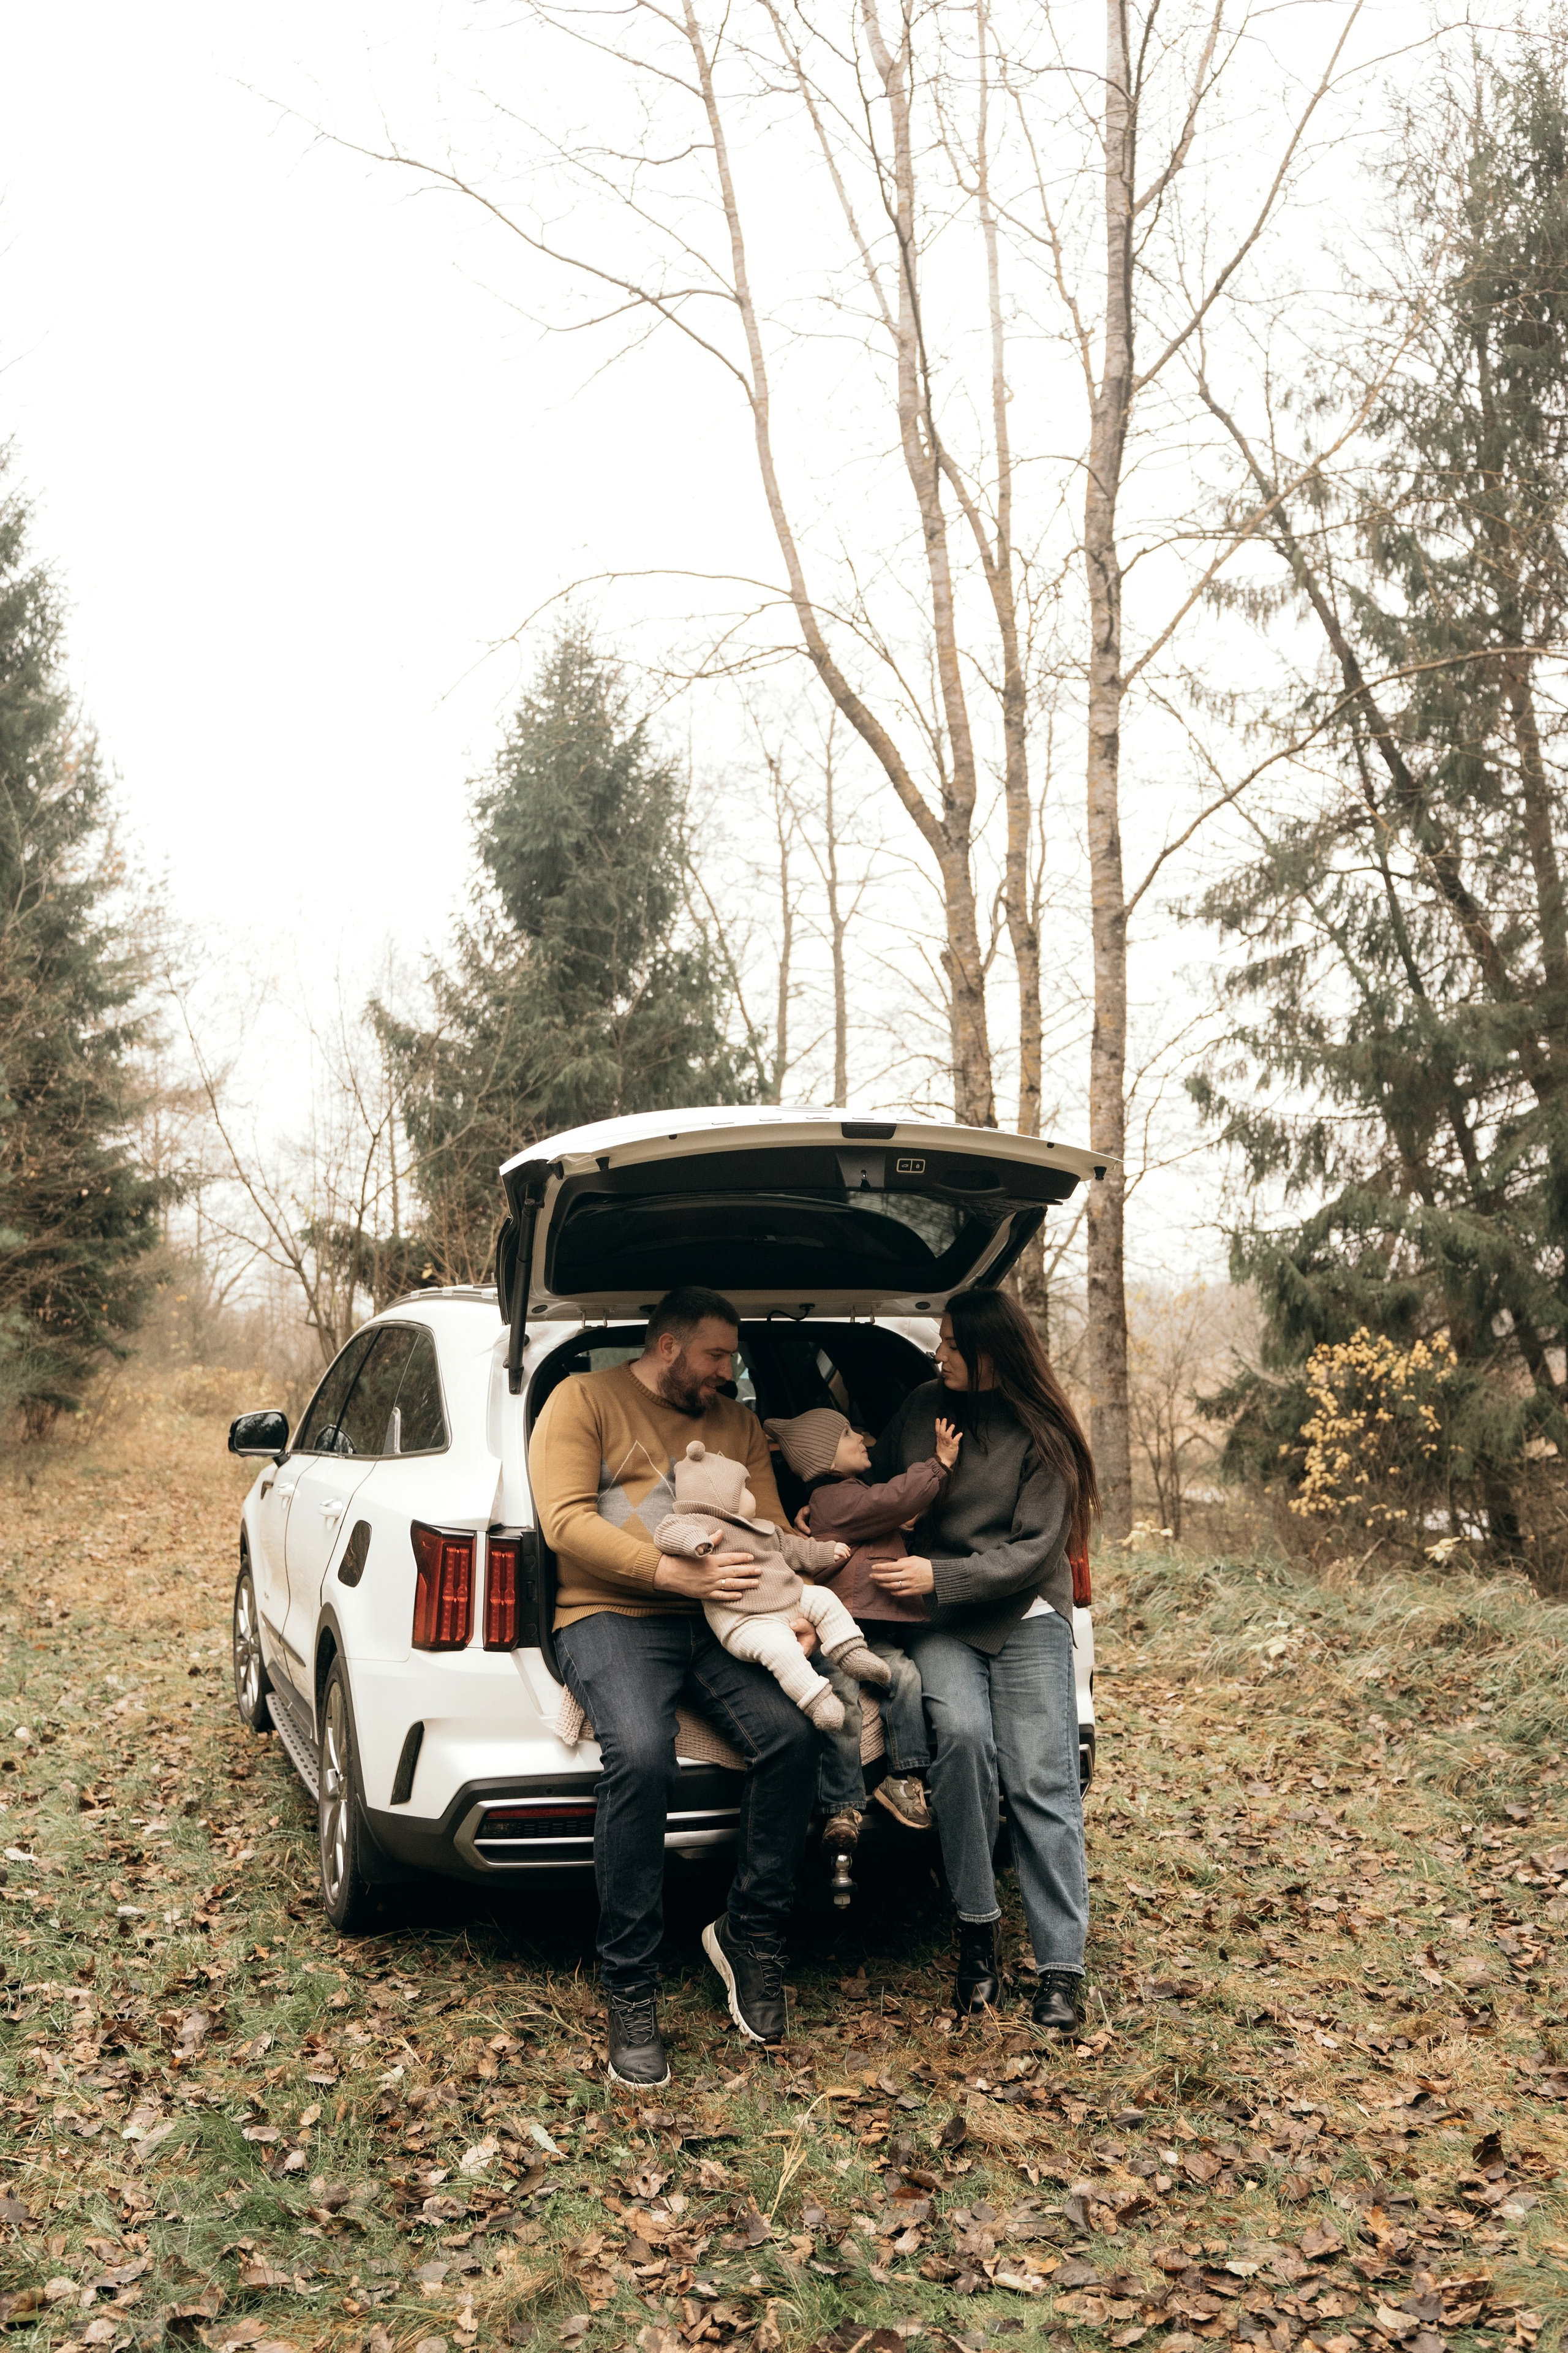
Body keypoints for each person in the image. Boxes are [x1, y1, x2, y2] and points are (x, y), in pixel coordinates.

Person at [528, 1285, 820, 2087]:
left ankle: (749, 1935)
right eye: (716, 1355)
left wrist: (793, 1603)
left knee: (792, 1737)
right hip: (608, 1613)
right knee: (642, 1754)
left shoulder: (737, 1423)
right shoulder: (581, 1399)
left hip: (722, 1618)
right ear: (667, 1348)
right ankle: (631, 1985)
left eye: (732, 1356)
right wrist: (668, 1572)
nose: (729, 1371)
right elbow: (564, 1522)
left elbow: (765, 1527)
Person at [867, 1286, 1098, 2034]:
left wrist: (940, 1574)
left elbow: (1033, 1551)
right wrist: (822, 1500)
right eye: (940, 1341)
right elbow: (881, 1488)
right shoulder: (921, 1407)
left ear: (991, 1350)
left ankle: (1060, 1968)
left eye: (950, 1344)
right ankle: (977, 1931)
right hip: (942, 1621)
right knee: (963, 1744)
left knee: (1041, 1781)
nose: (939, 1354)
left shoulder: (1044, 1431)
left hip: (1022, 1611)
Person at [763, 1405, 960, 1842]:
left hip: (868, 1629)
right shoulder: (833, 1497)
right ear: (826, 1460)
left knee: (904, 1677)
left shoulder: (849, 1495)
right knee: (843, 1703)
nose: (863, 1437)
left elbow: (886, 1516)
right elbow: (889, 1501)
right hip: (836, 1630)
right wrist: (939, 1465)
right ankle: (841, 1803)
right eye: (849, 1434)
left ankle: (903, 1777)